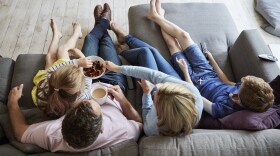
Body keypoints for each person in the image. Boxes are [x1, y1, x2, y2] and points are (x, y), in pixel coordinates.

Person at [8, 4, 142, 152]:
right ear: (102, 128)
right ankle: (103, 23)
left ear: (63, 120)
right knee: (105, 43)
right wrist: (122, 99)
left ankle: (102, 22)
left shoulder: (52, 134)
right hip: (112, 83)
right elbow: (138, 122)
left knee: (91, 38)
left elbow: (20, 132)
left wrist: (12, 103)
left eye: (83, 101)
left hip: (83, 77)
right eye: (89, 101)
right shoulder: (122, 130)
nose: (88, 98)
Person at [146, 0, 275, 118]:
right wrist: (212, 60)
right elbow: (225, 80)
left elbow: (194, 95)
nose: (239, 86)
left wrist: (185, 71)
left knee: (172, 44)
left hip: (193, 81)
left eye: (240, 87)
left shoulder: (222, 109)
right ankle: (157, 17)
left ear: (240, 100)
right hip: (207, 71)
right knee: (184, 36)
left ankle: (158, 17)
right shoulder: (244, 89)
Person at [107, 20, 203, 136]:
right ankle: (125, 38)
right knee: (153, 51)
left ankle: (123, 53)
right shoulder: (193, 94)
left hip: (159, 97)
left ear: (158, 112)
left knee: (145, 52)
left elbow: (146, 114)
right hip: (177, 83)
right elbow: (154, 76)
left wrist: (147, 94)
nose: (156, 86)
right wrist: (118, 68)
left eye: (155, 97)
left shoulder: (153, 128)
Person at [32, 19, 93, 118]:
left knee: (49, 57)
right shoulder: (81, 97)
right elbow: (88, 78)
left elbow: (51, 70)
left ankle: (56, 35)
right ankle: (76, 33)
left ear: (53, 76)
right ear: (78, 91)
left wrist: (77, 62)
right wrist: (82, 57)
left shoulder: (46, 81)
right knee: (61, 50)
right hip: (52, 89)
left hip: (46, 89)